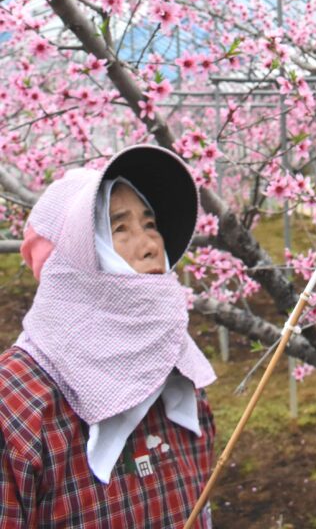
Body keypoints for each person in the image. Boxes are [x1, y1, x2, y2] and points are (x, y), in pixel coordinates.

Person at [0, 144, 216, 527]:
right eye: (119, 228)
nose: (151, 245)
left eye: (150, 225)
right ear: (75, 260)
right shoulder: (17, 409)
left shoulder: (181, 383)